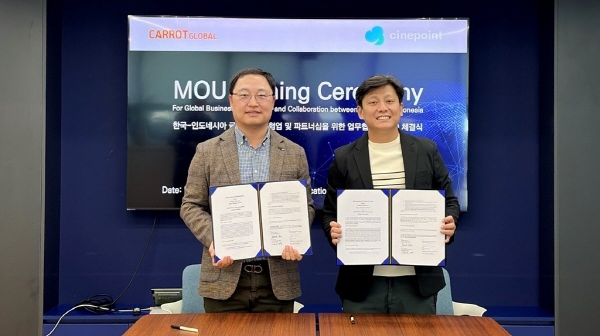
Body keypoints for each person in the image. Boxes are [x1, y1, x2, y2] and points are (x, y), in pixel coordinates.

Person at [322, 74, 460, 314]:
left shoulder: (426, 150)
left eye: (389, 101)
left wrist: (450, 221)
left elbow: (449, 201)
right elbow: (329, 213)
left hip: (417, 282)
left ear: (401, 107)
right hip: (361, 283)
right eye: (373, 102)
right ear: (360, 112)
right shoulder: (344, 157)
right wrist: (333, 231)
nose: (382, 108)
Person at [181, 68, 315, 313]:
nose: (253, 103)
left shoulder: (295, 153)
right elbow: (191, 205)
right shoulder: (207, 151)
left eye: (261, 95)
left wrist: (296, 237)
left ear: (273, 101)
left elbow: (305, 206)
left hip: (278, 280)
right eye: (244, 95)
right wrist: (214, 239)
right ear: (231, 101)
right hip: (223, 279)